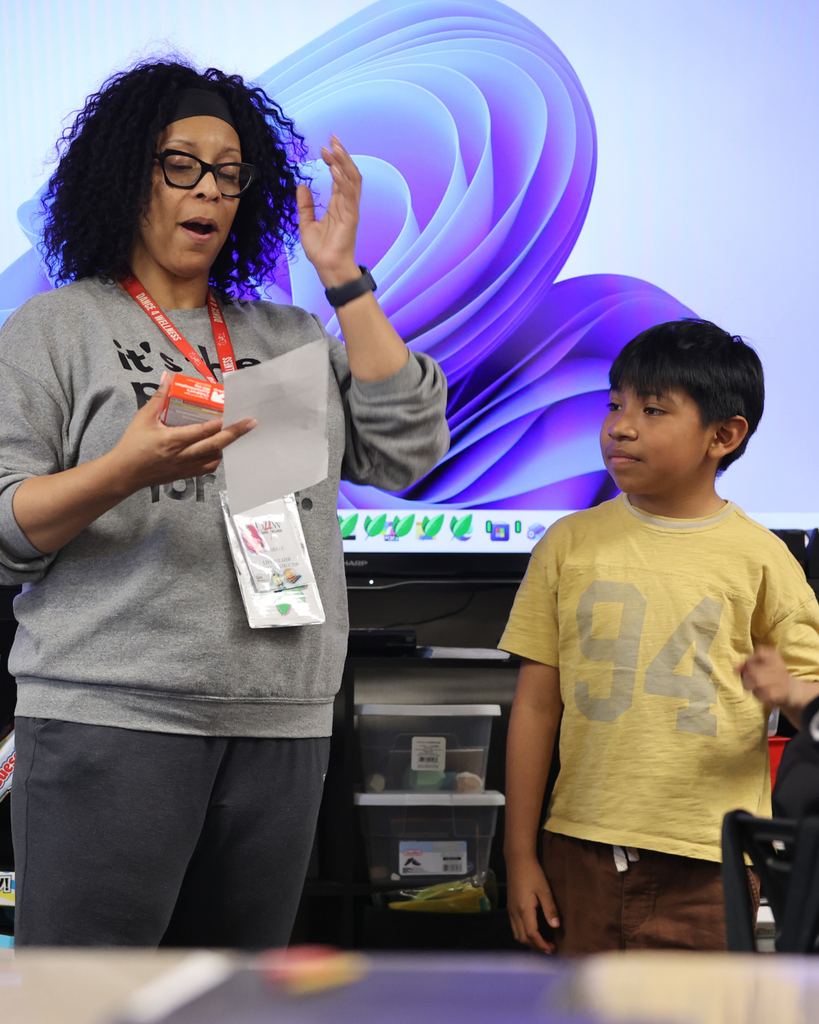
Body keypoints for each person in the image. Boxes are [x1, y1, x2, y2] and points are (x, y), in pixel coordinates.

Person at [0, 61, 448, 948]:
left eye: (229, 172)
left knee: (231, 1005)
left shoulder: (282, 337)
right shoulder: (58, 328)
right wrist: (119, 472)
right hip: (112, 714)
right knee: (90, 1005)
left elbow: (406, 451)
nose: (208, 189)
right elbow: (8, 526)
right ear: (129, 175)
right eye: (181, 165)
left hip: (280, 716)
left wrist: (345, 280)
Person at [500, 319, 819, 954]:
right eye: (614, 404)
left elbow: (812, 704)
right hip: (577, 852)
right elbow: (536, 705)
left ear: (723, 436)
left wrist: (787, 690)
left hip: (708, 861)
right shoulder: (568, 543)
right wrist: (519, 855)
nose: (620, 426)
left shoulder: (762, 559)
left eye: (652, 409)